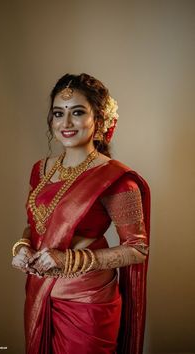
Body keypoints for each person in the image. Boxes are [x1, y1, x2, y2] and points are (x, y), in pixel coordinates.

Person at [11, 73, 150, 354]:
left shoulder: (116, 179)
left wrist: (69, 259)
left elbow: (138, 249)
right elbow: (36, 224)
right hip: (39, 291)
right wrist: (23, 246)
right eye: (58, 113)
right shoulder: (40, 169)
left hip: (87, 302)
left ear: (98, 120)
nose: (66, 123)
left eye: (77, 112)